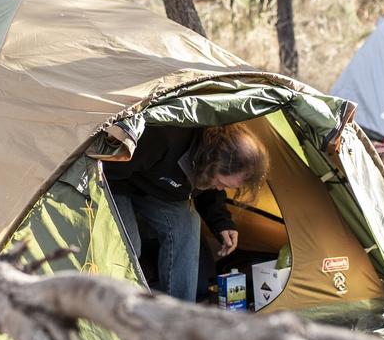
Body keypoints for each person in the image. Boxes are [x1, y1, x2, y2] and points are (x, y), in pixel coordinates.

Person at [104, 124, 269, 302]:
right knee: (128, 244)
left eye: (226, 187)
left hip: (156, 190)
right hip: (115, 182)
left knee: (188, 225)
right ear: (212, 161)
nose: (220, 188)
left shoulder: (210, 167)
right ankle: (120, 310)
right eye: (221, 182)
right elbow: (105, 170)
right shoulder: (164, 138)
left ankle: (179, 311)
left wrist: (222, 222)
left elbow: (210, 189)